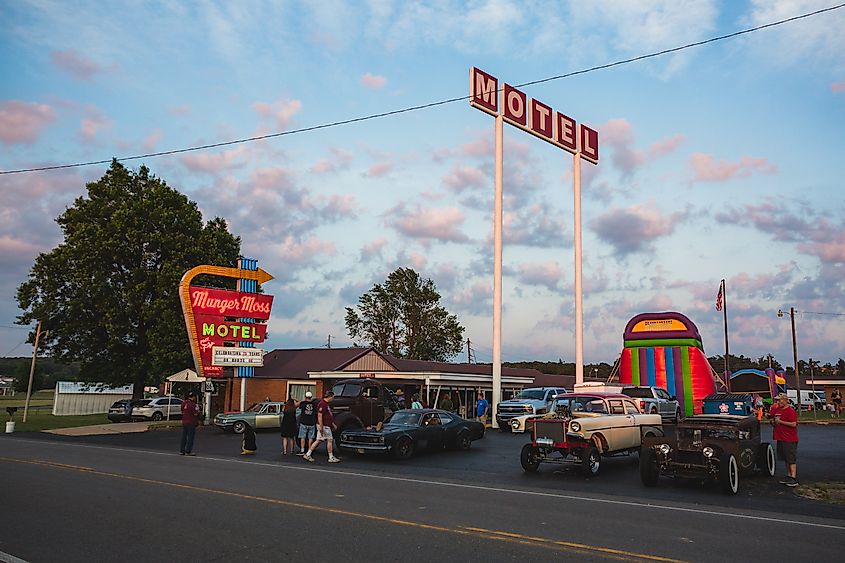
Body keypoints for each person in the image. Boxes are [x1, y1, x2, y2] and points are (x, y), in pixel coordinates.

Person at [769, 392, 799, 487]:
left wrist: (781, 422)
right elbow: (773, 419)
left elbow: (794, 424)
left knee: (790, 458)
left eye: (781, 400)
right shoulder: (777, 410)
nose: (779, 402)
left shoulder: (790, 411)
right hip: (780, 437)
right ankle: (788, 475)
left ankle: (793, 478)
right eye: (778, 400)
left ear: (785, 400)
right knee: (785, 458)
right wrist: (773, 422)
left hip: (789, 438)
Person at [303, 391, 340, 463]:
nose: (333, 398)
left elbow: (328, 415)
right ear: (329, 396)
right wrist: (321, 426)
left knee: (318, 440)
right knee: (330, 440)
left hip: (326, 425)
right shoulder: (322, 404)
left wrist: (332, 424)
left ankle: (308, 454)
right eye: (332, 397)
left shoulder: (326, 404)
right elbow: (320, 416)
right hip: (324, 425)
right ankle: (331, 456)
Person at [180, 391, 200, 456]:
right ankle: (188, 451)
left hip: (184, 421)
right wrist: (198, 412)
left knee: (184, 437)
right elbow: (195, 413)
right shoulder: (193, 405)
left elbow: (182, 411)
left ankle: (182, 450)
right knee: (190, 437)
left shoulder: (184, 403)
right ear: (193, 397)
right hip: (191, 422)